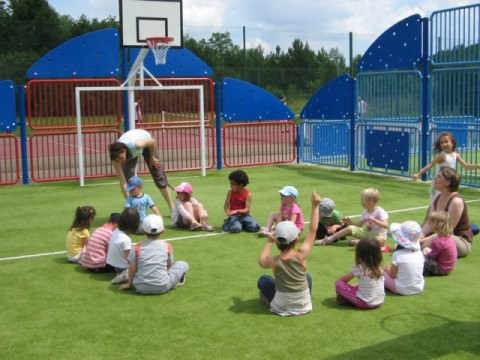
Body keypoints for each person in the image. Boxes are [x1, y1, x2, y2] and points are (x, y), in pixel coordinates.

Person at [257, 192, 320, 316]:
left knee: (264, 280)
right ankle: (304, 300)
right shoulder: (301, 255)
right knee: (307, 276)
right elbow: (313, 230)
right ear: (296, 239)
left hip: (281, 307)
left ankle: (269, 300)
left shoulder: (274, 260)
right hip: (304, 306)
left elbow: (262, 260)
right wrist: (315, 206)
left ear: (276, 240)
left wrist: (269, 242)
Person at [120, 214, 189, 294]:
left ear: (144, 231)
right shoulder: (167, 246)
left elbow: (132, 269)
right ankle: (176, 280)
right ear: (162, 231)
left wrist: (129, 284)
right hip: (162, 286)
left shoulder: (136, 247)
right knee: (183, 264)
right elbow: (169, 266)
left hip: (140, 287)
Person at [109, 128, 174, 211]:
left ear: (123, 151)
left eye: (120, 158)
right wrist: (129, 204)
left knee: (158, 175)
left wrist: (152, 157)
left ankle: (172, 208)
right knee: (129, 181)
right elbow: (123, 182)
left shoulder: (136, 145)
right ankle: (134, 208)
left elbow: (152, 142)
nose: (120, 161)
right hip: (132, 151)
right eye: (117, 160)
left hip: (147, 143)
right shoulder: (115, 158)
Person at [420, 167, 473, 258]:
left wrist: (423, 241)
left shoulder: (456, 201)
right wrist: (420, 236)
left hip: (457, 240)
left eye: (439, 177)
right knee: (415, 238)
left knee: (425, 245)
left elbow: (447, 231)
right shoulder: (438, 197)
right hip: (438, 236)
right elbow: (429, 223)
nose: (435, 178)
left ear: (448, 182)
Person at [316, 188, 389, 251]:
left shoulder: (380, 211)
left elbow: (386, 225)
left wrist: (375, 220)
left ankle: (358, 242)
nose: (361, 202)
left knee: (379, 241)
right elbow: (358, 225)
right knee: (350, 228)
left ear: (371, 201)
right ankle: (329, 239)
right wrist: (350, 222)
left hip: (379, 235)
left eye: (363, 200)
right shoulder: (365, 212)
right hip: (368, 233)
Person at [412, 132, 480, 200]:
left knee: (448, 202)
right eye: (442, 143)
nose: (444, 144)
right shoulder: (442, 155)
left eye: (446, 141)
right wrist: (418, 174)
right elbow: (429, 166)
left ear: (452, 143)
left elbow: (466, 166)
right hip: (440, 183)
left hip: (450, 183)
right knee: (437, 203)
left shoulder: (456, 155)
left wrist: (477, 166)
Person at [335, 237, 385, 309]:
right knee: (359, 285)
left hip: (365, 302)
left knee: (338, 284)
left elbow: (342, 280)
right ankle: (348, 297)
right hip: (379, 301)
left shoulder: (360, 267)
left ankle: (345, 298)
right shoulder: (379, 266)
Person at [384, 221, 425, 295]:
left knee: (381, 274)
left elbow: (392, 275)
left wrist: (387, 269)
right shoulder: (419, 253)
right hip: (418, 287)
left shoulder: (398, 254)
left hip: (401, 289)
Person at [106, 208, 140, 284]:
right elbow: (129, 260)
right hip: (121, 267)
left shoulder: (116, 231)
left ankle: (123, 274)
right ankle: (125, 275)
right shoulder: (126, 240)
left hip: (113, 264)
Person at [423, 211, 458, 276]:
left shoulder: (438, 241)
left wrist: (425, 253)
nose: (428, 224)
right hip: (448, 267)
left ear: (437, 225)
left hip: (441, 268)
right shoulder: (448, 237)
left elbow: (431, 257)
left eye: (431, 222)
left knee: (420, 260)